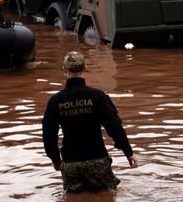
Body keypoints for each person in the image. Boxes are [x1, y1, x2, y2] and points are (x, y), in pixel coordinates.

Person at [42, 51, 138, 192]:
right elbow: (114, 127)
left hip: (71, 163)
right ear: (85, 68)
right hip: (97, 160)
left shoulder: (55, 101)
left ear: (64, 69)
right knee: (107, 196)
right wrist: (129, 153)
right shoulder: (97, 97)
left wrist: (55, 160)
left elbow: (48, 135)